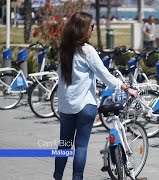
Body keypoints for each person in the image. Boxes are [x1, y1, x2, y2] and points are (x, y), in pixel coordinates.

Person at [53, 12, 137, 180]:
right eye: (91, 26)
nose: (93, 29)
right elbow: (104, 74)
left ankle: (57, 176)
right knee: (81, 146)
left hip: (66, 105)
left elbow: (62, 77)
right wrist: (126, 88)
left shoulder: (64, 49)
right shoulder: (87, 50)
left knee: (64, 145)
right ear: (83, 29)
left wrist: (90, 87)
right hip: (85, 106)